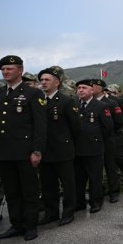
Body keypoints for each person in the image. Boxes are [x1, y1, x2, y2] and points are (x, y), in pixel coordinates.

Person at [0, 55, 46, 241]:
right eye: (3, 69)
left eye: (9, 68)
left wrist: (37, 150)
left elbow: (40, 125)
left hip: (24, 151)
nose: (5, 72)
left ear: (20, 70)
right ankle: (17, 224)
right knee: (11, 191)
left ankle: (30, 226)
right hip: (4, 151)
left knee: (28, 190)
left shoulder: (32, 93)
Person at [37, 68, 81, 226]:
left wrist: (67, 142)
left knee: (68, 184)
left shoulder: (66, 101)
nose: (43, 82)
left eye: (47, 80)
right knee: (48, 184)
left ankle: (68, 212)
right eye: (41, 80)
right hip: (44, 150)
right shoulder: (38, 101)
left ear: (57, 83)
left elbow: (76, 127)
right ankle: (51, 213)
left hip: (63, 150)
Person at [74, 79, 113, 214]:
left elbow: (108, 128)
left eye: (84, 88)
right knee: (78, 178)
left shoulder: (101, 106)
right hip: (76, 148)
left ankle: (96, 202)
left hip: (93, 148)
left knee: (94, 178)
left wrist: (95, 138)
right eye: (79, 88)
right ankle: (79, 203)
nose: (81, 90)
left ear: (91, 90)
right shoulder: (74, 104)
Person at [92, 79, 122, 202]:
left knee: (110, 166)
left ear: (102, 88)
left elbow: (119, 122)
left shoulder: (111, 103)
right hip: (94, 141)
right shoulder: (89, 102)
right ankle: (100, 190)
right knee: (96, 168)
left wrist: (110, 134)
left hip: (108, 139)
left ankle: (114, 191)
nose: (92, 87)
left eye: (95, 86)